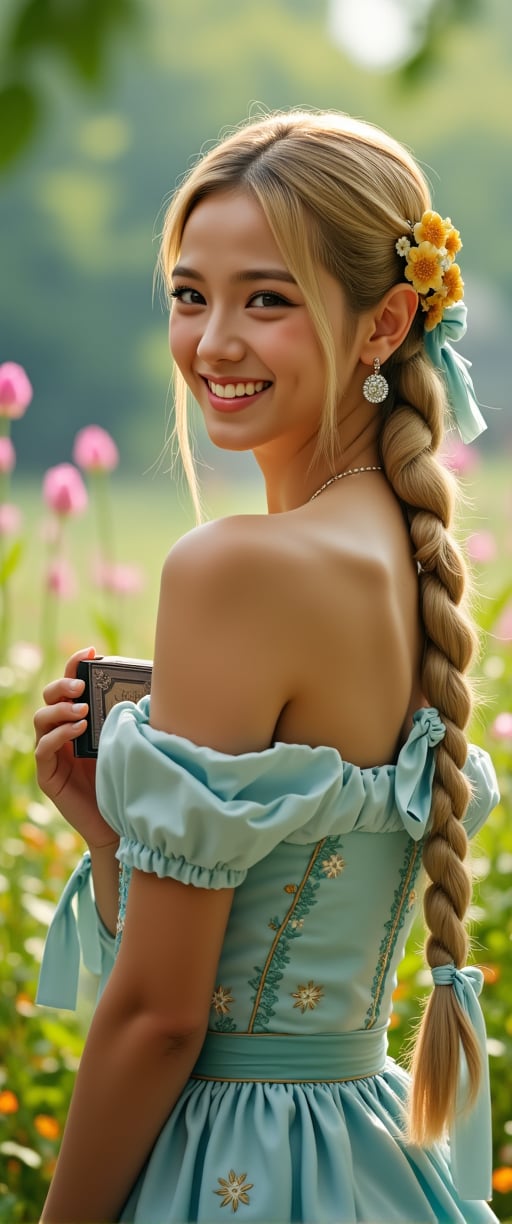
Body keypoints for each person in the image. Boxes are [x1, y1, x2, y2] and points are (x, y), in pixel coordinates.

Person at [33, 110, 500, 1224]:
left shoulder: (236, 569)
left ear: (384, 323)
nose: (214, 342)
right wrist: (115, 836)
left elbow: (164, 1018)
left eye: (269, 299)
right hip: (368, 1154)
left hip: (235, 1165)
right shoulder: (400, 550)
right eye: (192, 296)